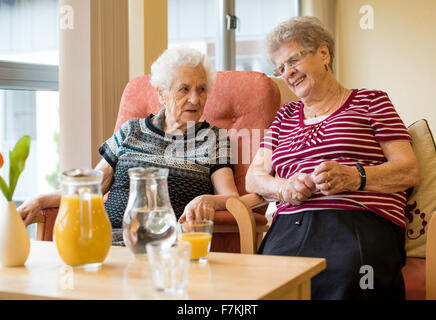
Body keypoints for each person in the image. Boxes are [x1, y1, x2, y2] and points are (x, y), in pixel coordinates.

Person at [245, 16, 419, 300]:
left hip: (358, 221)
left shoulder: (371, 101)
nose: (287, 73)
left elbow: (408, 170)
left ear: (323, 54)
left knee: (348, 276)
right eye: (280, 68)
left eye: (293, 60)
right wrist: (283, 188)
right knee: (267, 284)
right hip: (291, 226)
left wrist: (356, 177)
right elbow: (255, 177)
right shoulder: (284, 117)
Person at [19, 46, 239, 236]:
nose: (195, 98)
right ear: (161, 93)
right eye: (184, 89)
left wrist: (207, 200)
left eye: (201, 89)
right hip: (106, 241)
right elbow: (92, 187)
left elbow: (230, 197)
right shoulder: (131, 131)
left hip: (164, 246)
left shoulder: (213, 139)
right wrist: (41, 200)